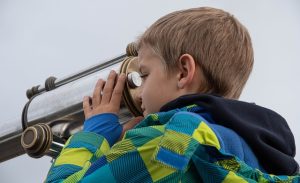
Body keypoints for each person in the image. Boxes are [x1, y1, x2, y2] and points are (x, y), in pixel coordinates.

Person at [45, 7, 299, 182]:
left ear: (183, 72)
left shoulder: (168, 142)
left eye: (144, 75)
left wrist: (92, 136)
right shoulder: (260, 158)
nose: (139, 94)